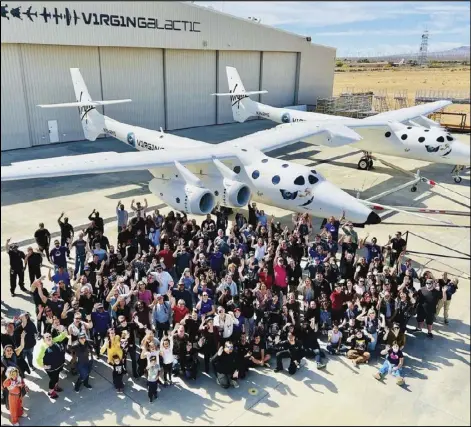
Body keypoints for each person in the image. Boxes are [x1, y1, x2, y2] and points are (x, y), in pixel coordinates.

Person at [34, 330, 68, 399]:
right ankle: (51, 392)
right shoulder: (44, 348)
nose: (49, 338)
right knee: (53, 380)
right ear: (44, 340)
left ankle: (55, 387)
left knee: (57, 378)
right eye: (46, 337)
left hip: (59, 366)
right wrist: (43, 366)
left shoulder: (54, 341)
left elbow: (62, 336)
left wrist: (61, 329)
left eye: (50, 336)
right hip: (52, 369)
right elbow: (38, 359)